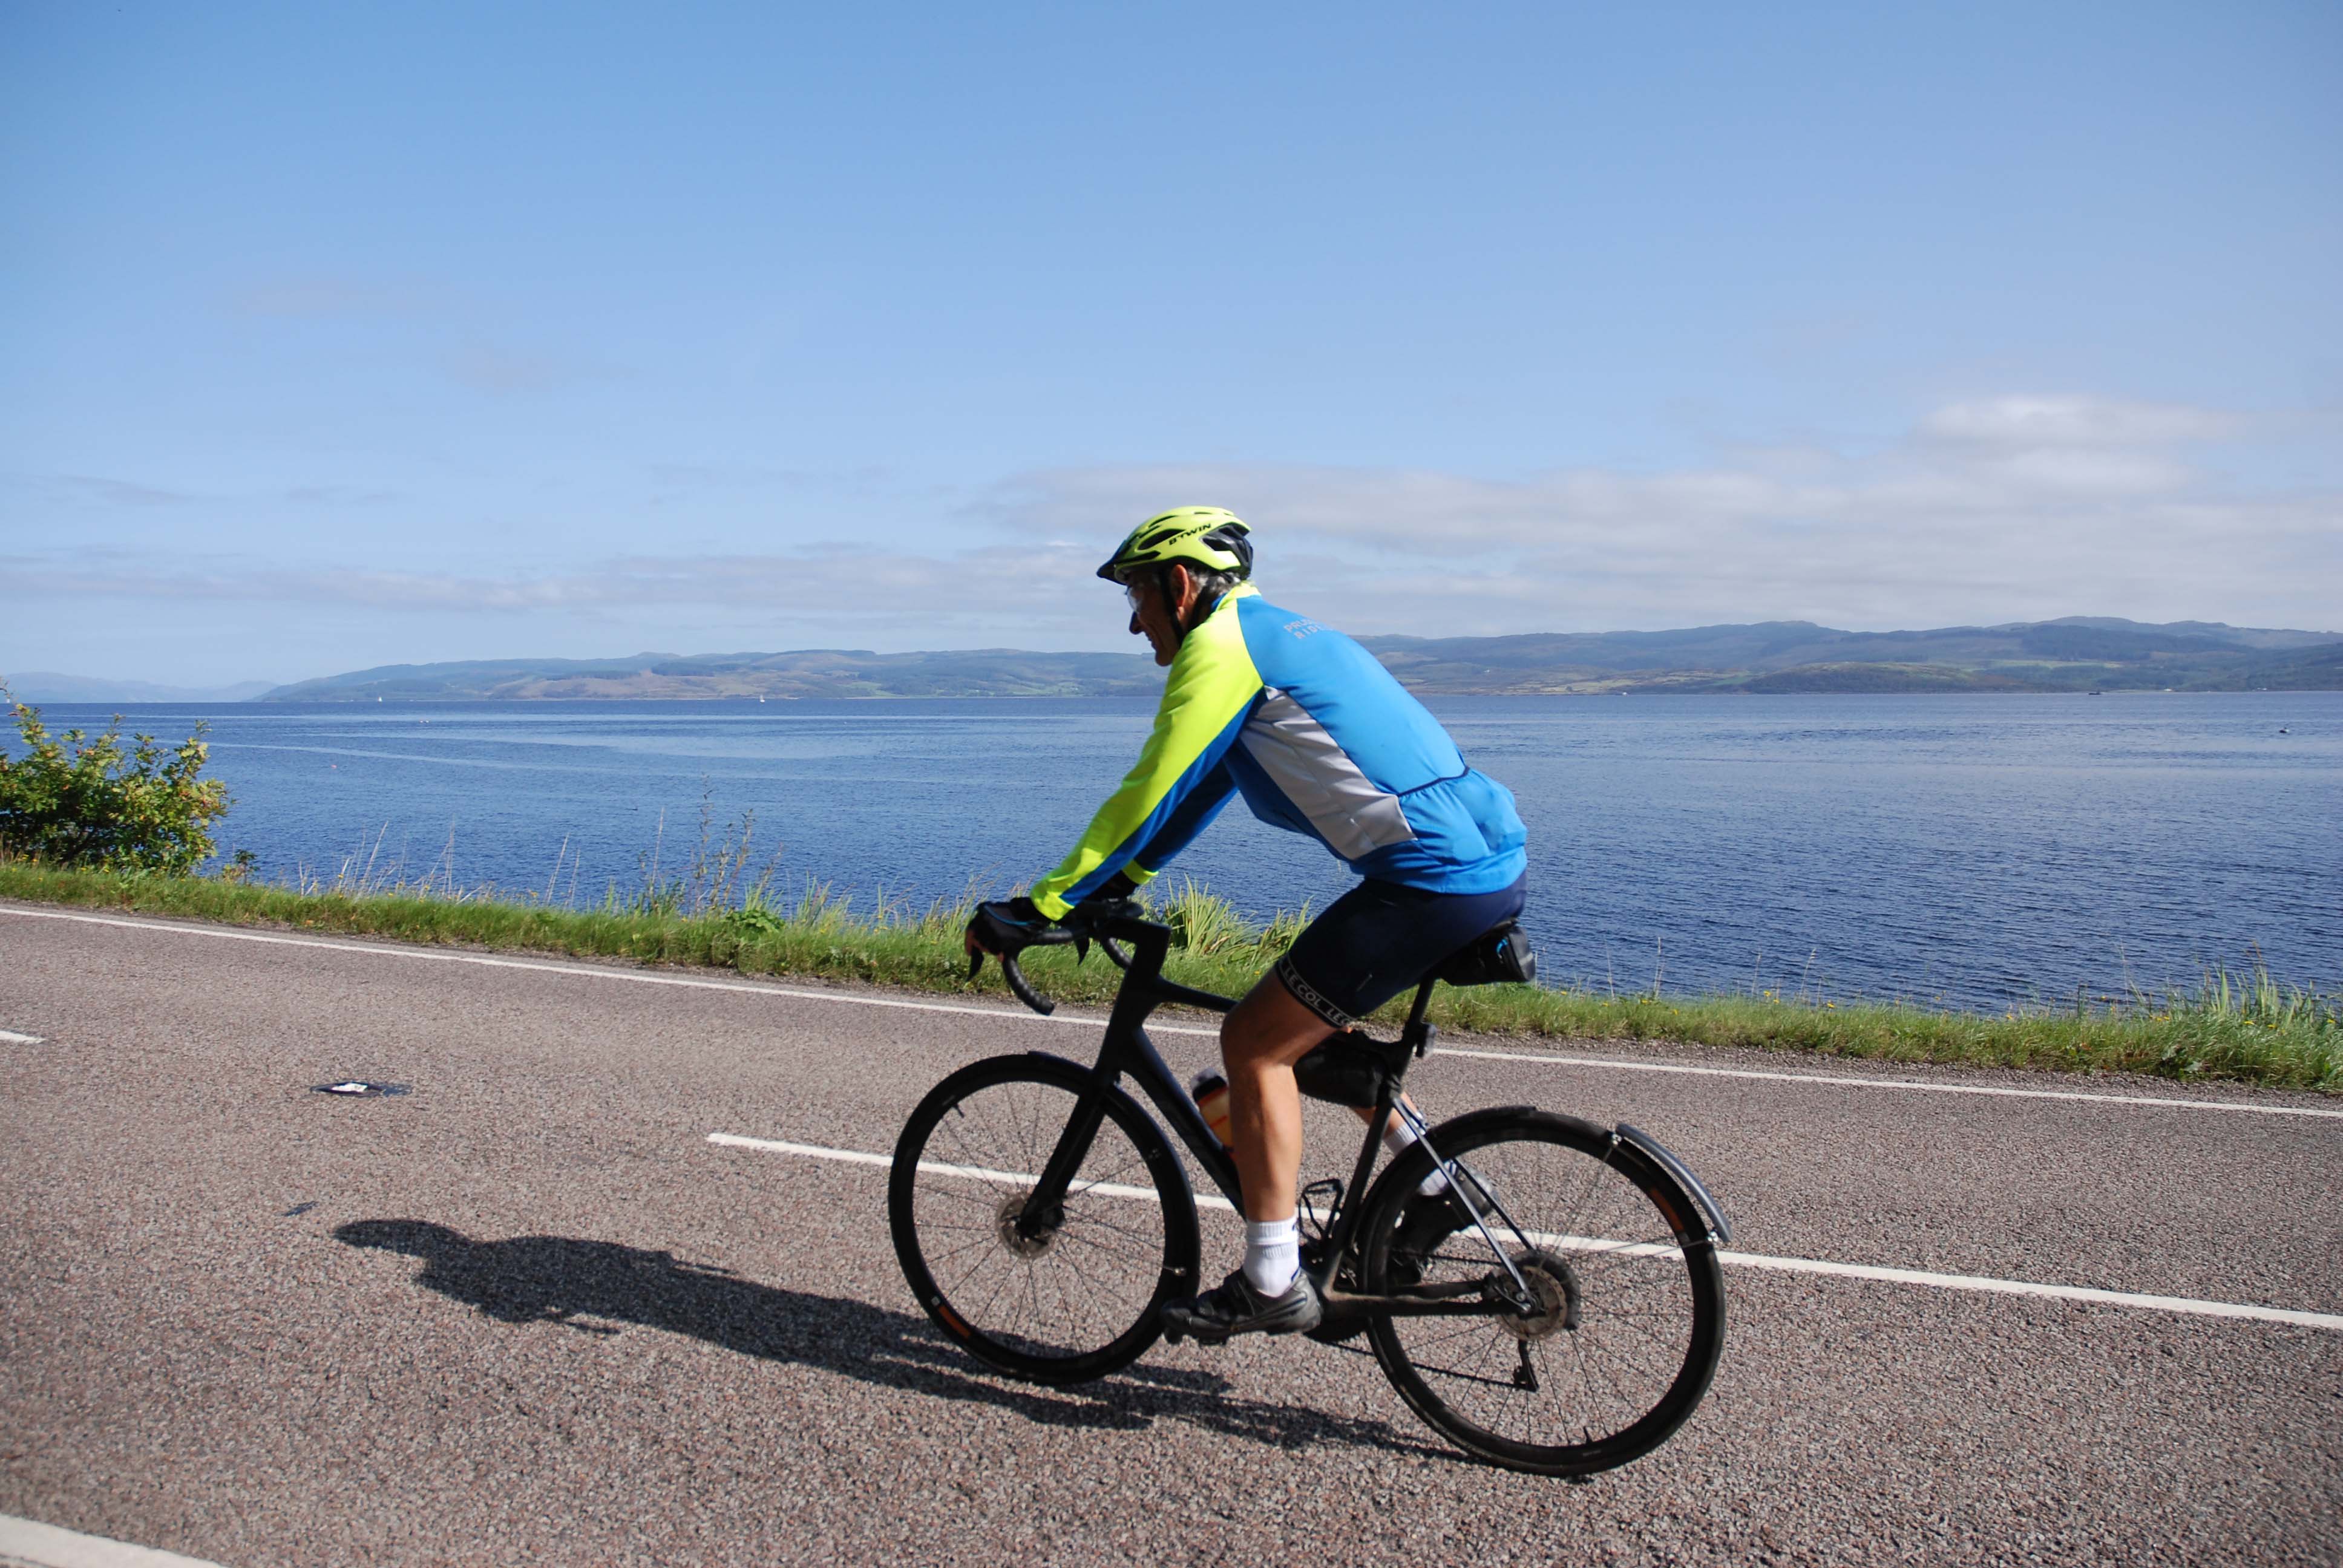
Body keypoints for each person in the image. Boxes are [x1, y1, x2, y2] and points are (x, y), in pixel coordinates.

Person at [963, 506, 1528, 1341]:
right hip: (1480, 865)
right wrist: (1128, 881)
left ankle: (1270, 1278)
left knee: (1254, 1044)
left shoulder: (1219, 649)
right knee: (1311, 1040)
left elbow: (1148, 786)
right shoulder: (1275, 637)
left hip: (1433, 879)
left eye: (1136, 597)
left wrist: (1044, 905)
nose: (1133, 621)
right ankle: (1438, 1190)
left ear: (1181, 585)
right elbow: (1200, 788)